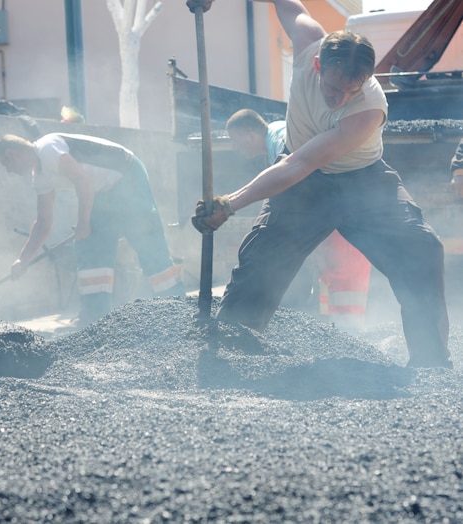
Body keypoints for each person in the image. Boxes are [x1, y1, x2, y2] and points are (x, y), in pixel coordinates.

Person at [192, 0, 451, 368]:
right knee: (261, 262)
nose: (340, 99)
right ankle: (232, 352)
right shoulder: (307, 40)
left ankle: (430, 365)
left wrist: (230, 203)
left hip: (362, 182)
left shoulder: (369, 106)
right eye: (333, 89)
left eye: (351, 91)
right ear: (317, 64)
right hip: (305, 185)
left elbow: (301, 163)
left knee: (423, 249)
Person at [0, 132, 185, 327]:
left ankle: (176, 309)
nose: (9, 171)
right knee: (91, 248)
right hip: (100, 192)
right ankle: (95, 319)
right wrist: (23, 259)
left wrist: (84, 222)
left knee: (147, 241)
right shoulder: (40, 177)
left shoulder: (47, 148)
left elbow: (83, 181)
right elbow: (43, 223)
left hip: (127, 176)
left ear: (12, 154)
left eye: (5, 164)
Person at [225, 109, 372, 333]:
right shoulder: (277, 131)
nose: (235, 148)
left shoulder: (278, 141)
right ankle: (342, 334)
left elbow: (296, 185)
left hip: (333, 208)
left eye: (236, 141)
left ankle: (347, 336)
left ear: (250, 134)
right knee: (334, 283)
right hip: (337, 206)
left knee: (341, 279)